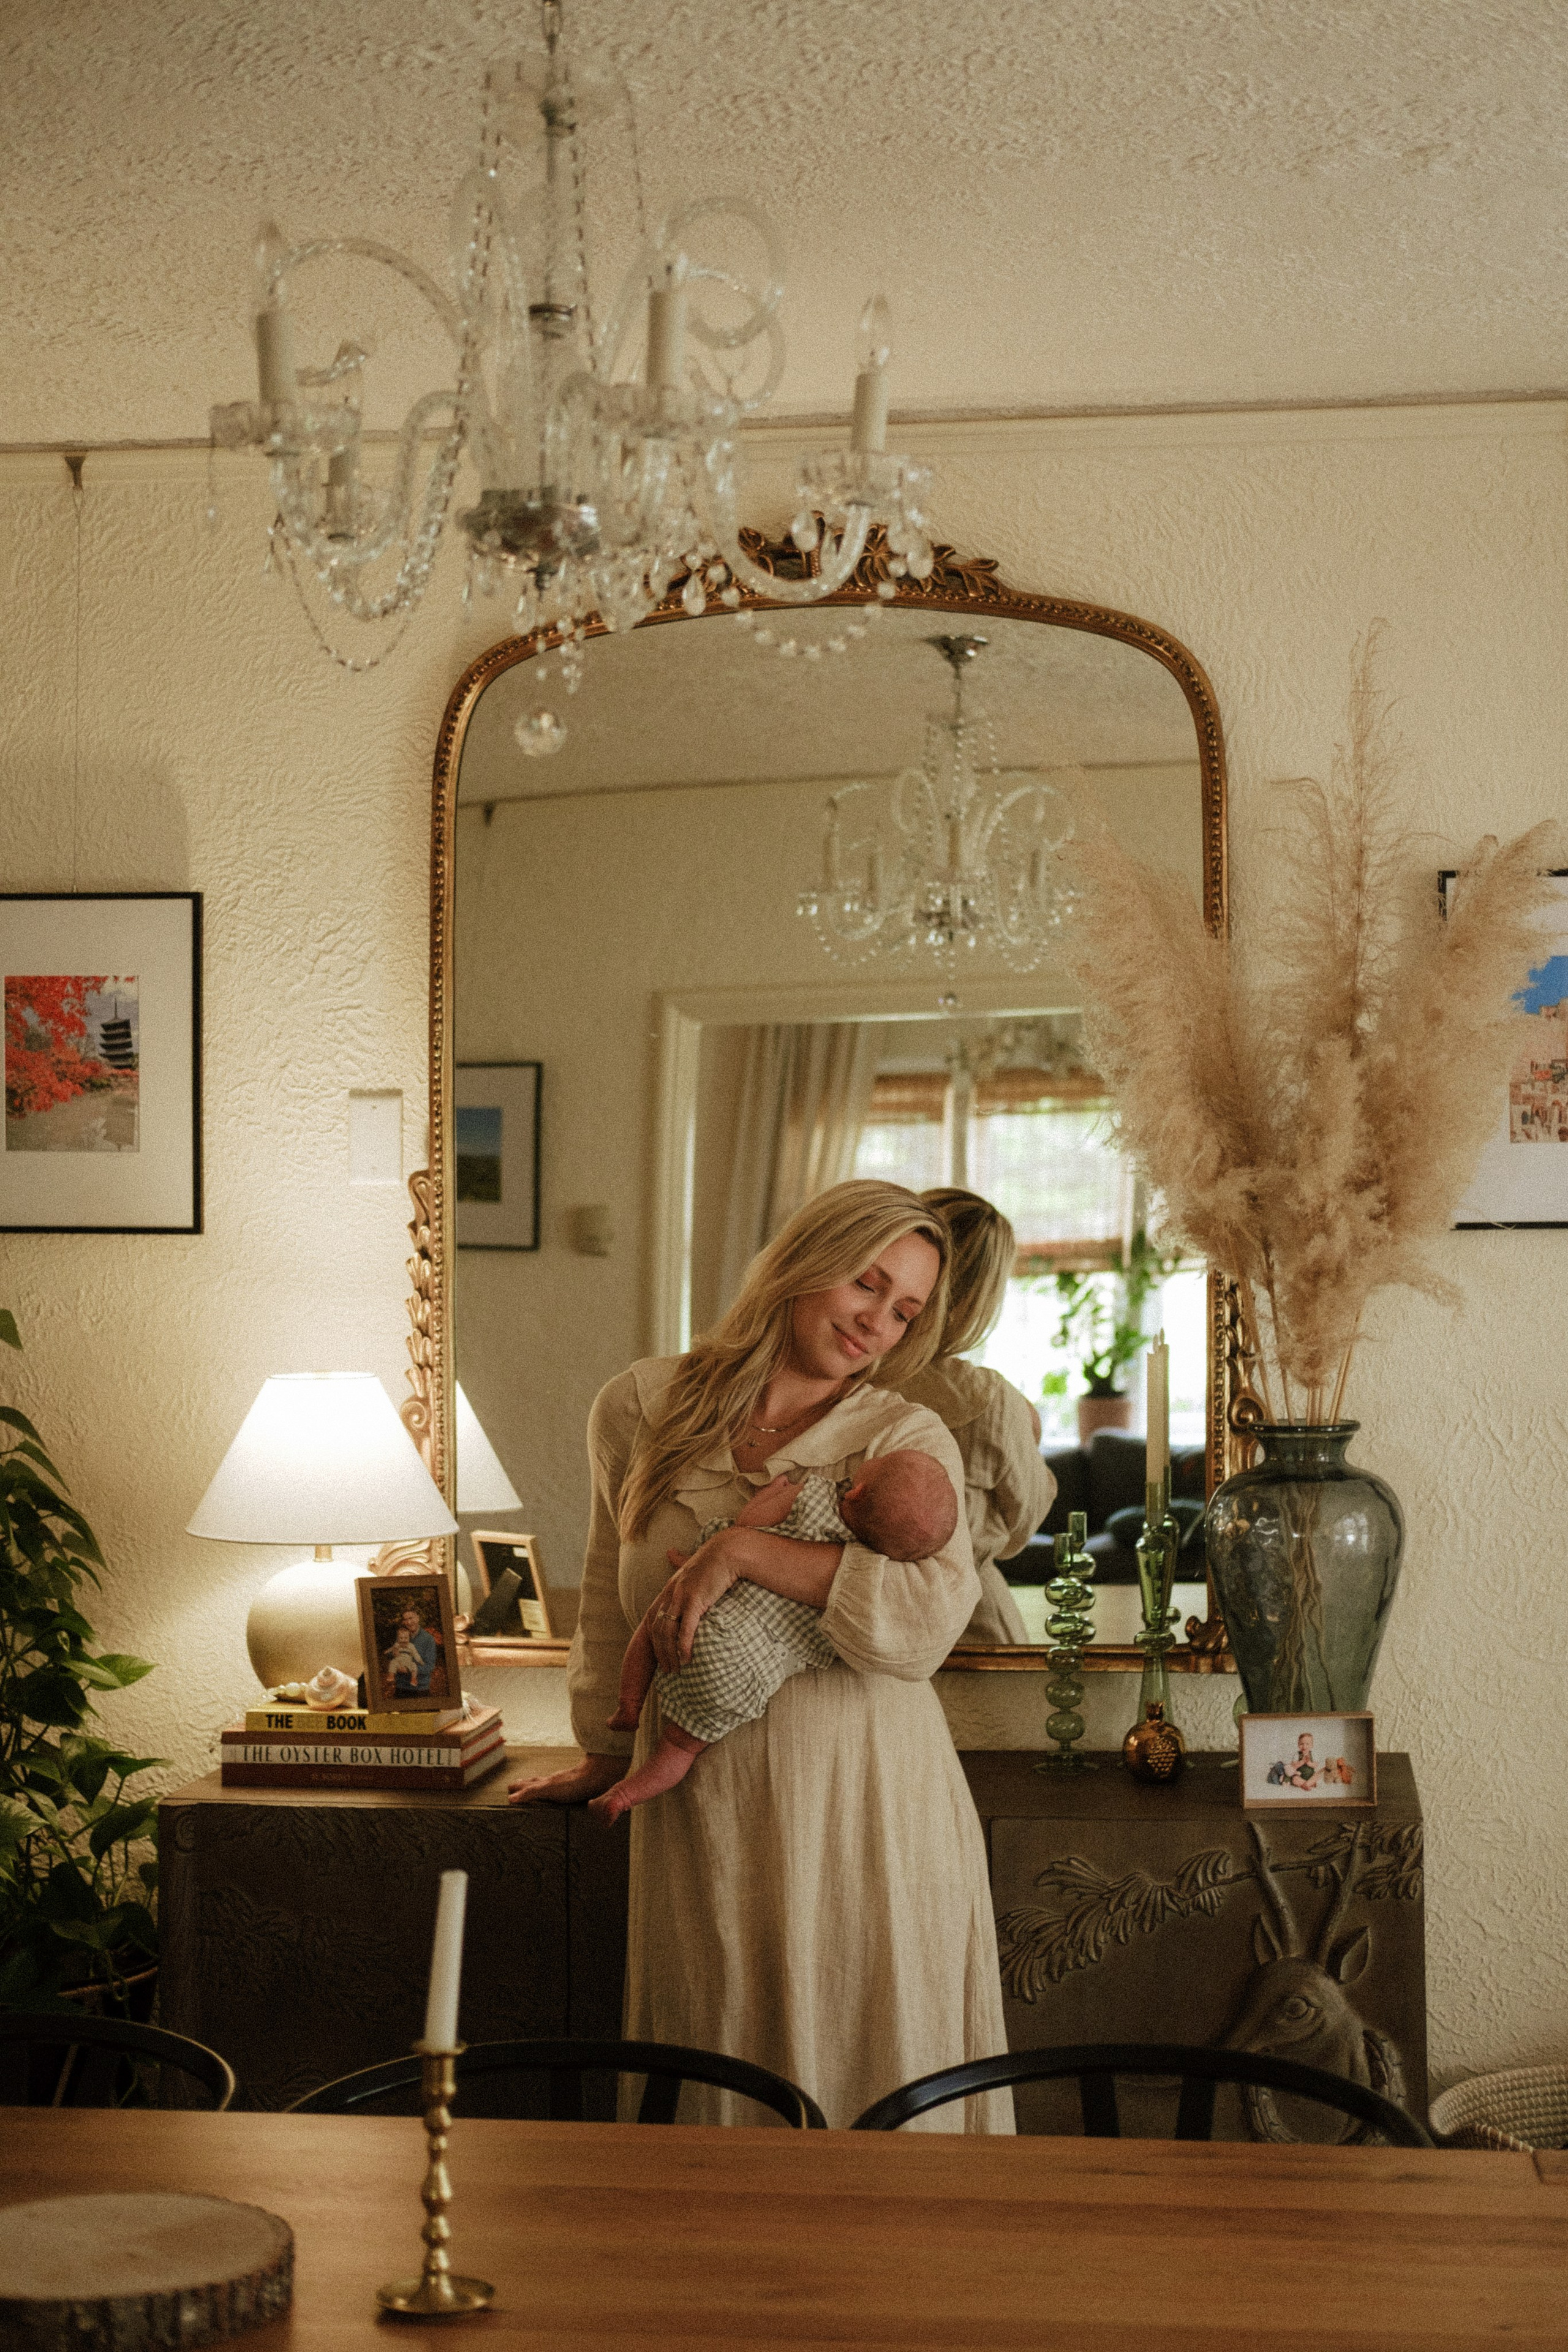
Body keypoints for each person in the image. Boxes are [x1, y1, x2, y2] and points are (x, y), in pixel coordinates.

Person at [508, 1178, 1012, 2132]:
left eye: (905, 1312)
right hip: (705, 1813)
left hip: (866, 1799)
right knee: (720, 2072)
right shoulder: (641, 1405)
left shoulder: (903, 1436)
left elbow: (923, 1625)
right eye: (867, 1285)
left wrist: (745, 1551)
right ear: (803, 1262)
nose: (878, 1325)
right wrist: (604, 1750)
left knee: (877, 2070)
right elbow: (608, 1597)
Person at [593, 1450, 958, 1823]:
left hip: (709, 1623)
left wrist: (774, 1492)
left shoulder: (814, 1498)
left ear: (856, 1491)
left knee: (657, 1622)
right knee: (680, 1746)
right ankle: (624, 1795)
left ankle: (629, 1705)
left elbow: (748, 1524)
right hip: (745, 1674)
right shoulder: (867, 1570)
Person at [892, 1188, 1058, 1645]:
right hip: (973, 1625)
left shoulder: (847, 1373)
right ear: (982, 1297)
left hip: (864, 1626)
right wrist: (1032, 1439)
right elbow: (1020, 1530)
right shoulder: (991, 1401)